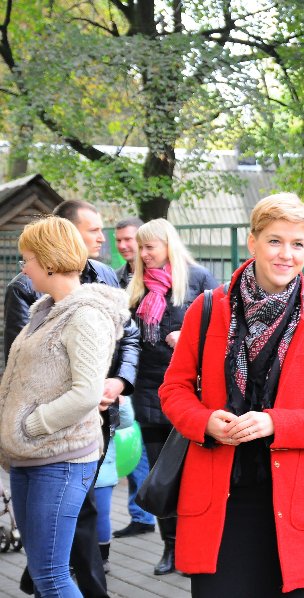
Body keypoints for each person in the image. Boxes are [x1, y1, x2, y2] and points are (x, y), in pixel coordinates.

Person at [158, 193, 304, 597]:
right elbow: (174, 389)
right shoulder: (207, 309)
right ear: (253, 242)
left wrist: (275, 423)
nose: (286, 254)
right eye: (275, 241)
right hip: (218, 500)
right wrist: (204, 422)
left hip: (290, 503)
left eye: (297, 244)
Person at [4, 199, 139, 598]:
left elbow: (86, 392)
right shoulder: (45, 310)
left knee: (51, 576)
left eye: (28, 259)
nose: (23, 268)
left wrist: (31, 425)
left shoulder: (84, 315)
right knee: (44, 573)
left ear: (48, 262)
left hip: (59, 458)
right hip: (31, 456)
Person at [127, 218, 218, 575]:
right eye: (141, 247)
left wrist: (188, 336)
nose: (143, 254)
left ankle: (197, 546)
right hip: (148, 391)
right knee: (160, 475)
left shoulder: (199, 280)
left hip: (189, 394)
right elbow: (127, 339)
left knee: (192, 475)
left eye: (149, 247)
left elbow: (224, 329)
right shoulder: (134, 285)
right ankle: (171, 547)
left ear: (168, 246)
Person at [111, 217, 157, 539]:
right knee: (134, 446)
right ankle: (141, 513)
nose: (125, 246)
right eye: (120, 241)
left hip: (155, 378)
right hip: (129, 377)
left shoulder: (161, 278)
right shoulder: (115, 278)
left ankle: (149, 513)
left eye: (131, 240)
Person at [94, 397, 136, 572]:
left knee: (101, 514)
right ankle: (74, 558)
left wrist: (120, 399)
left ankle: (103, 557)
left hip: (103, 468)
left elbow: (126, 421)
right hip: (73, 466)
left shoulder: (109, 393)